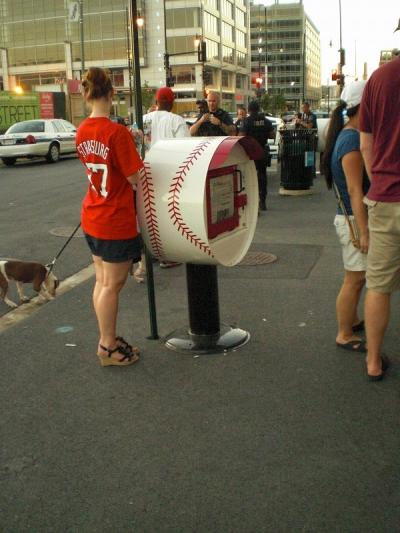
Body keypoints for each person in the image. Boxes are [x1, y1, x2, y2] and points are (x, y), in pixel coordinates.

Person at [76, 67, 143, 367]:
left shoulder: (81, 131)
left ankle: (108, 339)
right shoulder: (117, 133)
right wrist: (133, 143)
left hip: (93, 214)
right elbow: (135, 177)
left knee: (102, 282)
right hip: (114, 219)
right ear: (111, 93)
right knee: (111, 286)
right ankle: (107, 344)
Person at [358, 29, 400, 381]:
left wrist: (380, 180)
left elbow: (366, 143)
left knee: (379, 285)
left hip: (386, 198)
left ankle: (373, 361)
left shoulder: (380, 79)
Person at [321, 81, 369, 355]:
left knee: (356, 276)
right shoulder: (351, 140)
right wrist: (364, 231)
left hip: (349, 217)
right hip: (352, 218)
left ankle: (351, 320)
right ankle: (344, 332)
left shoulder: (348, 135)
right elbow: (354, 190)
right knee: (354, 278)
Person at [143, 86, 190, 268]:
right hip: (169, 174)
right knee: (169, 216)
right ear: (171, 103)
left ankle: (150, 254)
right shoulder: (176, 120)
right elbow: (184, 149)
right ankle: (167, 255)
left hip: (146, 171)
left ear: (156, 102)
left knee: (148, 215)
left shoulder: (144, 119)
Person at [239, 100, 274, 211]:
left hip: (250, 153)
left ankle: (252, 202)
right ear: (258, 109)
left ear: (249, 110)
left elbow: (241, 136)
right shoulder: (266, 121)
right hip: (262, 151)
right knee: (262, 176)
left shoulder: (246, 121)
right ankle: (262, 201)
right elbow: (272, 135)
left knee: (249, 177)